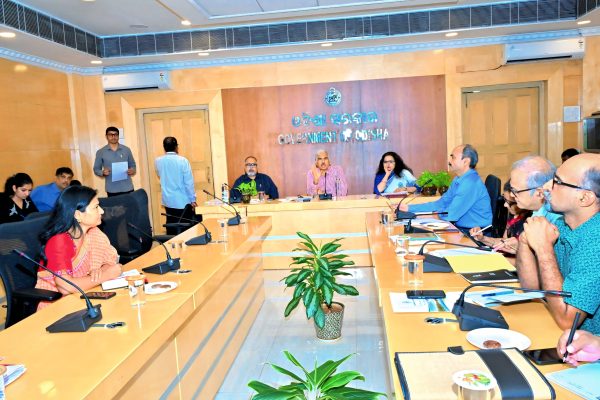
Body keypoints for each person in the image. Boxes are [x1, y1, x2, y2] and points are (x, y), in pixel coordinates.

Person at [517, 153, 600, 333]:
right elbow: (532, 290)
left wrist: (543, 248)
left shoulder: (596, 242)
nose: (546, 187)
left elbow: (567, 321)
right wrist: (525, 240)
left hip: (584, 345)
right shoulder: (563, 224)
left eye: (557, 182)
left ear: (585, 198)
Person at [35, 185, 122, 309]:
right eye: (96, 207)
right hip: (57, 304)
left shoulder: (93, 232)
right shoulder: (59, 241)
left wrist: (101, 270)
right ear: (77, 215)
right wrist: (106, 275)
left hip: (84, 294)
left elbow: (109, 259)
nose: (102, 211)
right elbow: (65, 287)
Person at [400, 144, 491, 229]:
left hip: (475, 234)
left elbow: (450, 215)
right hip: (461, 229)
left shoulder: (470, 183)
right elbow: (441, 203)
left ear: (466, 161)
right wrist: (409, 208)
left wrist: (426, 216)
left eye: (453, 158)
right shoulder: (458, 179)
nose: (449, 161)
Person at [469, 180, 532, 254]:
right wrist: (482, 238)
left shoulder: (532, 221)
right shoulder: (513, 214)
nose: (505, 205)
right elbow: (504, 241)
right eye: (504, 199)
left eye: (510, 202)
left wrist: (519, 248)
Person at [155, 136, 198, 235]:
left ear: (164, 147)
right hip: (182, 202)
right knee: (185, 230)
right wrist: (193, 200)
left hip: (168, 201)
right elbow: (188, 183)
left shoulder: (158, 161)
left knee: (171, 226)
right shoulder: (183, 161)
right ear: (176, 147)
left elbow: (159, 174)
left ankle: (171, 244)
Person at [509, 156, 561, 225]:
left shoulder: (553, 224)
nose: (511, 194)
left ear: (540, 193)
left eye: (515, 191)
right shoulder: (539, 212)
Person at [93, 126, 136, 197]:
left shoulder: (126, 150)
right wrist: (102, 172)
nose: (113, 137)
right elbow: (96, 169)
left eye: (115, 134)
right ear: (106, 136)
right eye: (110, 134)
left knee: (131, 204)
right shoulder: (101, 152)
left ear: (118, 136)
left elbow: (133, 165)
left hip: (128, 188)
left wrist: (132, 170)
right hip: (112, 190)